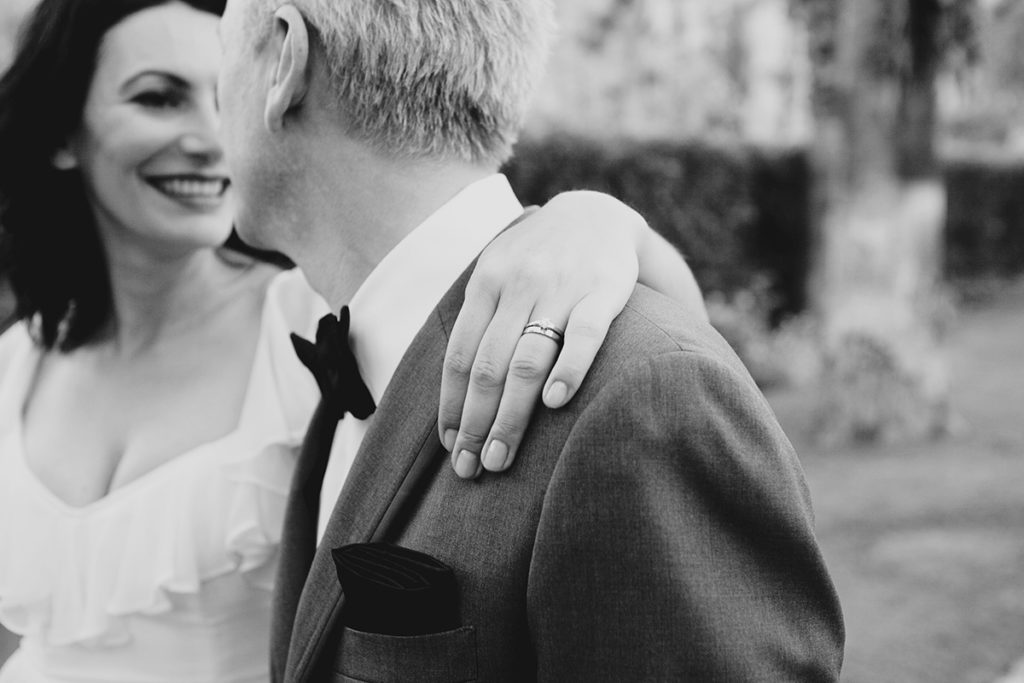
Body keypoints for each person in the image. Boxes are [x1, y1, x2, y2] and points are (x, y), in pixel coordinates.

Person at [0, 0, 708, 680]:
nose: (209, 132)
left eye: (213, 88)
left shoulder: (317, 312)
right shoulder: (14, 363)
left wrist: (603, 223)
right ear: (64, 131)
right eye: (157, 98)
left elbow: (661, 365)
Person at [217, 0, 845, 681]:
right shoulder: (344, 350)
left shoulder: (642, 398)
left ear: (285, 61)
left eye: (217, 61)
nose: (211, 109)